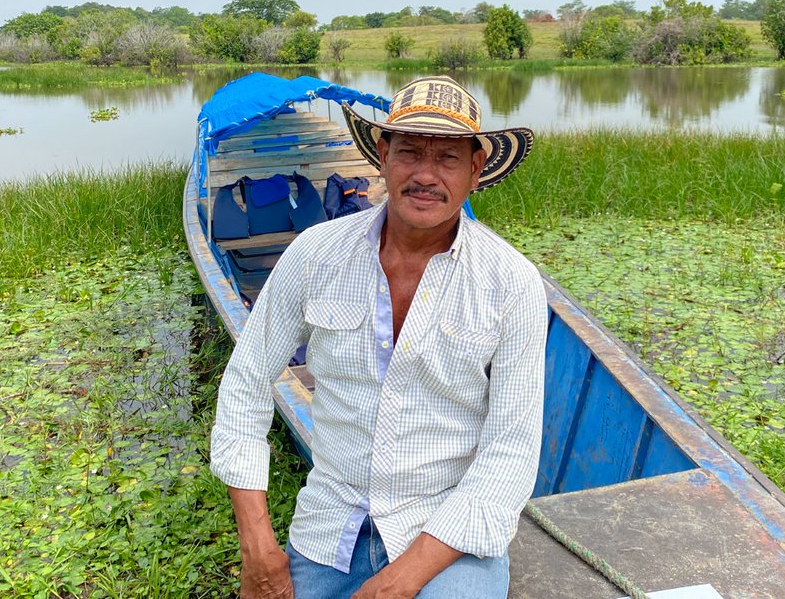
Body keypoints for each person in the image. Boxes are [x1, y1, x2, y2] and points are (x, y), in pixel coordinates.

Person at [210, 75, 547, 598]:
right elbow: (246, 383)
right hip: (330, 526)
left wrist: (398, 581)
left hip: (445, 534)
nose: (425, 175)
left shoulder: (511, 282)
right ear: (383, 156)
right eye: (410, 152)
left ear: (476, 170)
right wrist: (257, 544)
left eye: (449, 159)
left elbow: (511, 453)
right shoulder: (315, 253)